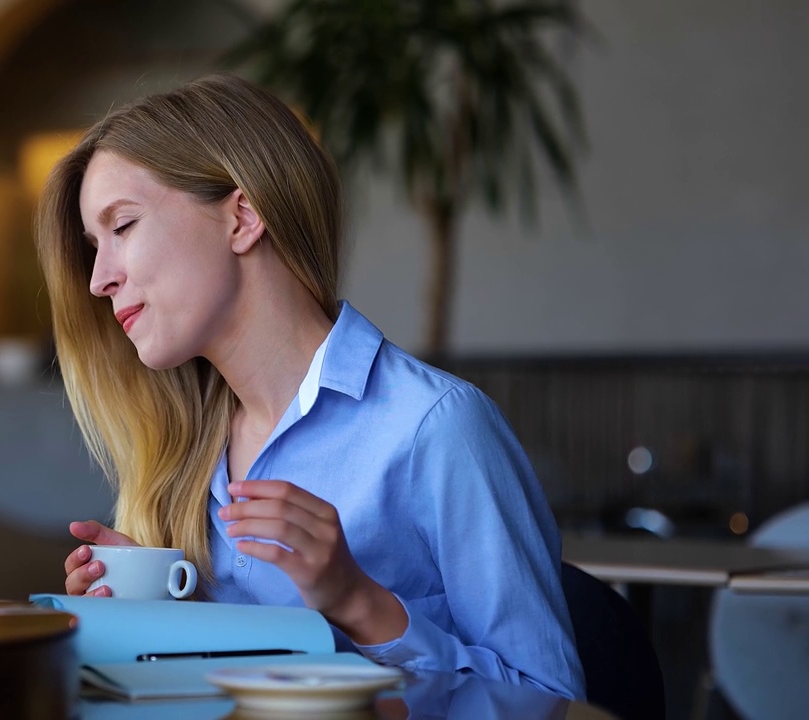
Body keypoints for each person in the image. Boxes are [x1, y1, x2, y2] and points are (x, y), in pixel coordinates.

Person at [35, 73, 584, 701]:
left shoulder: (438, 427)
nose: (97, 280)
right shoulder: (184, 453)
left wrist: (359, 602)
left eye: (123, 226)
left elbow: (550, 700)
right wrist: (147, 610)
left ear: (242, 216)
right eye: (93, 246)